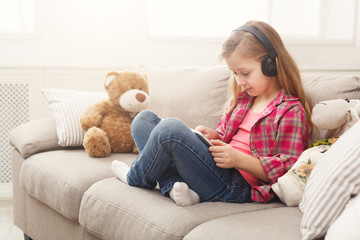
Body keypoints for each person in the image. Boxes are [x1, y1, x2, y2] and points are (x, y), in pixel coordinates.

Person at [111, 20, 312, 206]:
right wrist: (214, 136)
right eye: (235, 73)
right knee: (143, 120)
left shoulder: (290, 111)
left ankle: (134, 177)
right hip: (215, 169)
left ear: (271, 65)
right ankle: (173, 186)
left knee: (169, 129)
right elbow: (225, 137)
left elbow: (288, 170)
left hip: (235, 184)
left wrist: (239, 160)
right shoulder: (243, 99)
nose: (240, 81)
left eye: (245, 73)